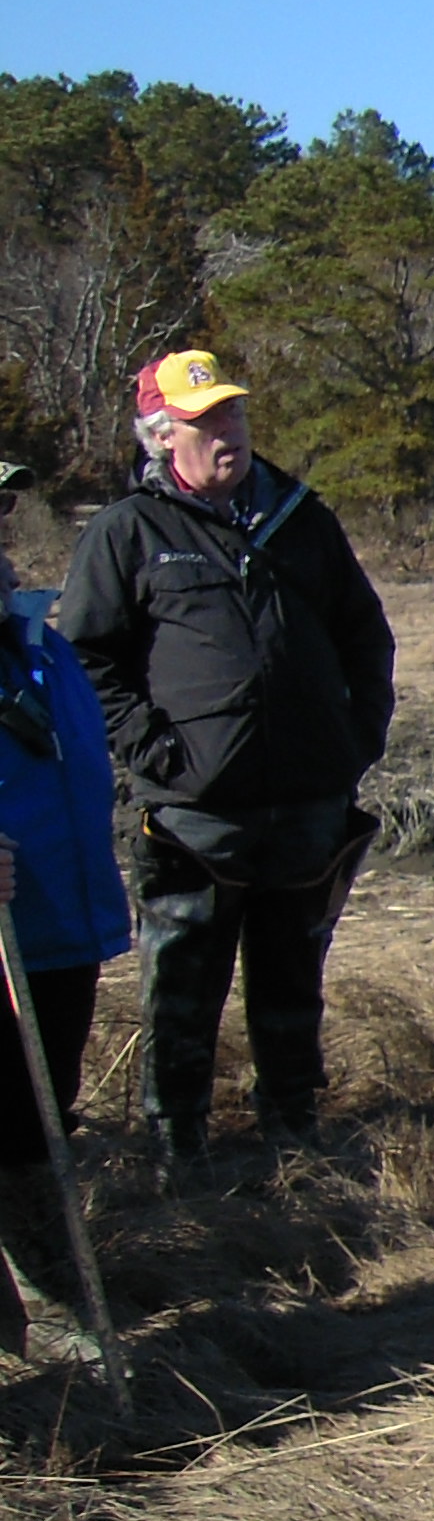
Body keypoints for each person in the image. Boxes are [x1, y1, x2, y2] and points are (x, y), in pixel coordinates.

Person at [56, 349, 396, 1162]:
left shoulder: (300, 515)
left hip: (307, 804)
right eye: (205, 421)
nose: (227, 434)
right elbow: (87, 662)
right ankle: (180, 1149)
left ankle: (293, 1131)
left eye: (234, 415)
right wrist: (154, 750)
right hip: (194, 816)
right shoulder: (127, 533)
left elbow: (364, 631)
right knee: (181, 990)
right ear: (161, 435)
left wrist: (355, 740)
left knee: (291, 984)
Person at [0, 462, 131, 1358]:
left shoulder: (30, 636)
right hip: (4, 941)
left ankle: (56, 1315)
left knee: (34, 1126)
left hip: (54, 929)